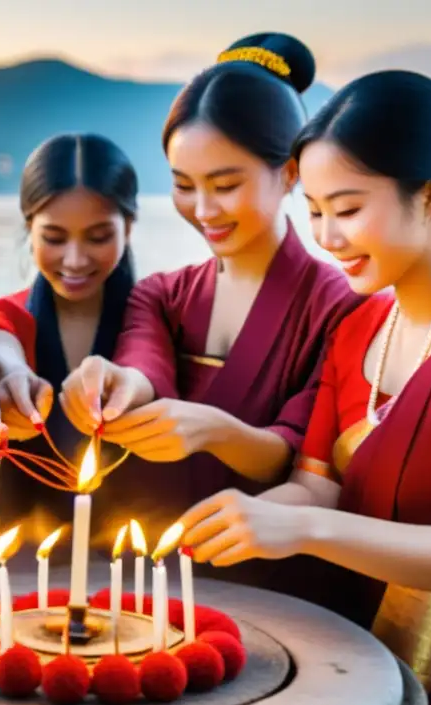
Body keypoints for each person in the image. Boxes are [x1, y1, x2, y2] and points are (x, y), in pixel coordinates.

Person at [175, 70, 431, 705]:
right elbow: (316, 483)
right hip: (348, 644)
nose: (326, 235)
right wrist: (251, 515)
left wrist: (300, 526)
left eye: (348, 209)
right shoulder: (357, 326)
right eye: (316, 209)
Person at [58, 34, 360, 536]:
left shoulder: (339, 305)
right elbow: (145, 368)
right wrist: (114, 385)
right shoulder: (160, 294)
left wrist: (217, 432)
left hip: (271, 574)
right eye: (183, 185)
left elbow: (306, 460)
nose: (202, 210)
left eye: (224, 186)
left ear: (289, 174)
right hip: (143, 559)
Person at [0, 133, 137, 545]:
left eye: (99, 237)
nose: (76, 259)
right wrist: (10, 376)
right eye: (54, 238)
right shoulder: (4, 316)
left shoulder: (157, 321)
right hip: (23, 565)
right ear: (29, 228)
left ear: (129, 227)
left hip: (136, 566)